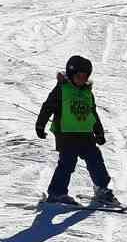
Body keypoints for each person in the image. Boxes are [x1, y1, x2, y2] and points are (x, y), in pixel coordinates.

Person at [34, 55, 118, 206]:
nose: (81, 79)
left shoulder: (87, 93)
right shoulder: (61, 89)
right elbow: (48, 107)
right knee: (67, 163)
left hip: (86, 134)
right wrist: (40, 125)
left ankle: (102, 189)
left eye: (85, 76)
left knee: (96, 160)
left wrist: (98, 131)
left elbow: (92, 113)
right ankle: (57, 193)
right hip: (66, 134)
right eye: (78, 76)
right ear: (71, 74)